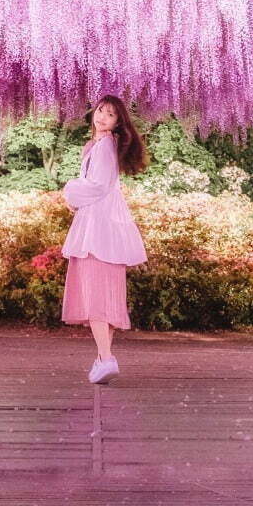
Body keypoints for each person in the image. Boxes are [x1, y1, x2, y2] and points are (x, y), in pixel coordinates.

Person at [60, 94, 148, 383]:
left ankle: (107, 358)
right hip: (106, 227)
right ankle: (102, 359)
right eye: (100, 111)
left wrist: (69, 191)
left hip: (97, 230)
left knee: (96, 296)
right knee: (107, 297)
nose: (102, 117)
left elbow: (96, 186)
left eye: (110, 115)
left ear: (117, 122)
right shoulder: (100, 146)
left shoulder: (104, 147)